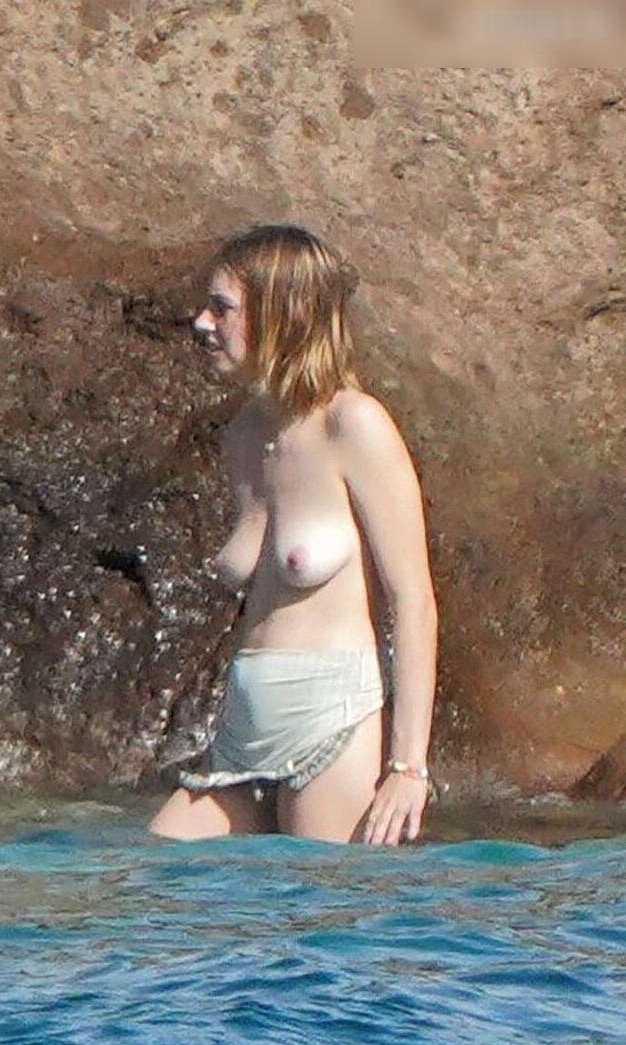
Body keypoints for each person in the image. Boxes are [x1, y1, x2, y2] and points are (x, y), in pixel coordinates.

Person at [150, 225, 437, 845]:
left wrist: (407, 768)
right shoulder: (244, 435)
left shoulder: (353, 424)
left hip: (331, 726)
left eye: (222, 308)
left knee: (319, 898)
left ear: (282, 314)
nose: (201, 323)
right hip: (242, 733)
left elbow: (413, 600)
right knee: (157, 872)